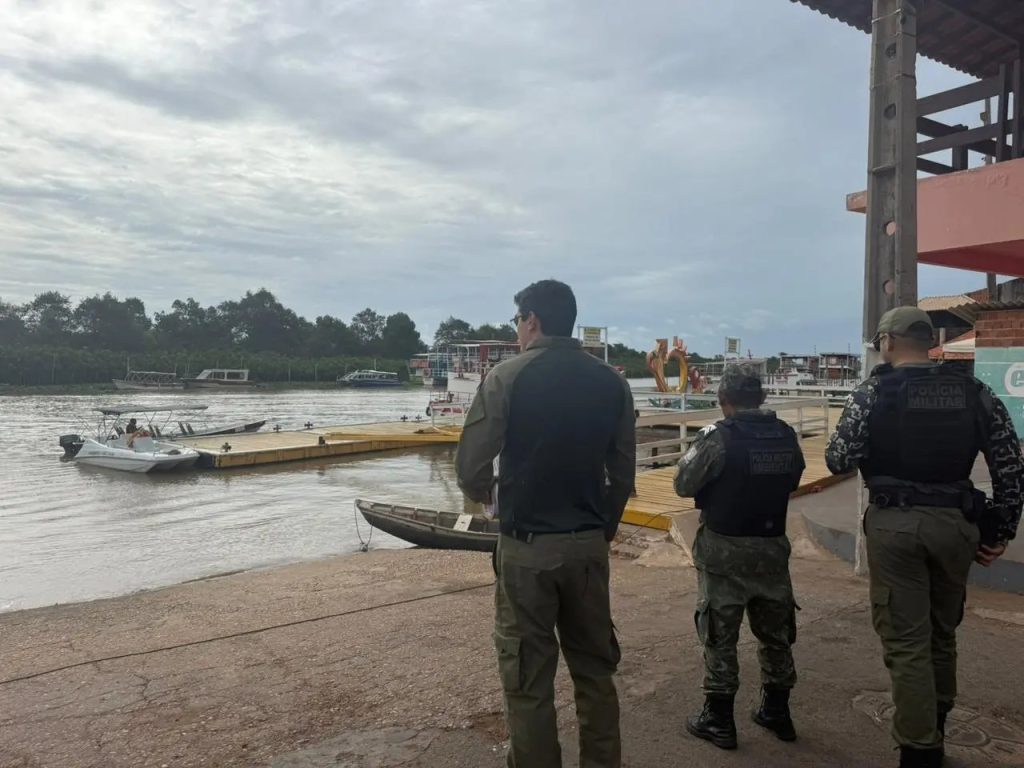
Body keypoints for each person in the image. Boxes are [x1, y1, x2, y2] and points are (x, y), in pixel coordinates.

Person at [826, 306, 1024, 768]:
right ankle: (936, 722)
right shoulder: (975, 391)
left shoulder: (872, 392)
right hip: (956, 525)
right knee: (941, 633)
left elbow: (839, 459)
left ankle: (920, 750)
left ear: (888, 342)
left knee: (906, 640)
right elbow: (1011, 467)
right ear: (929, 342)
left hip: (895, 527)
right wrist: (1000, 529)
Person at [455, 279, 636, 768]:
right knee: (595, 673)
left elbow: (470, 466)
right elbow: (623, 473)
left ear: (532, 320)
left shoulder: (507, 377)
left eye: (517, 321)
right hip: (588, 546)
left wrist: (488, 495)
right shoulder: (612, 382)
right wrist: (602, 530)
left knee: (528, 681)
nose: (517, 330)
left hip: (528, 547)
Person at [674, 363, 805, 751]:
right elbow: (794, 478)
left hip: (724, 551)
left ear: (722, 399)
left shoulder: (717, 438)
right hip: (771, 548)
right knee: (776, 635)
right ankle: (777, 711)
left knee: (720, 634)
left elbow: (683, 484)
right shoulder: (785, 434)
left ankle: (719, 719)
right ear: (761, 397)